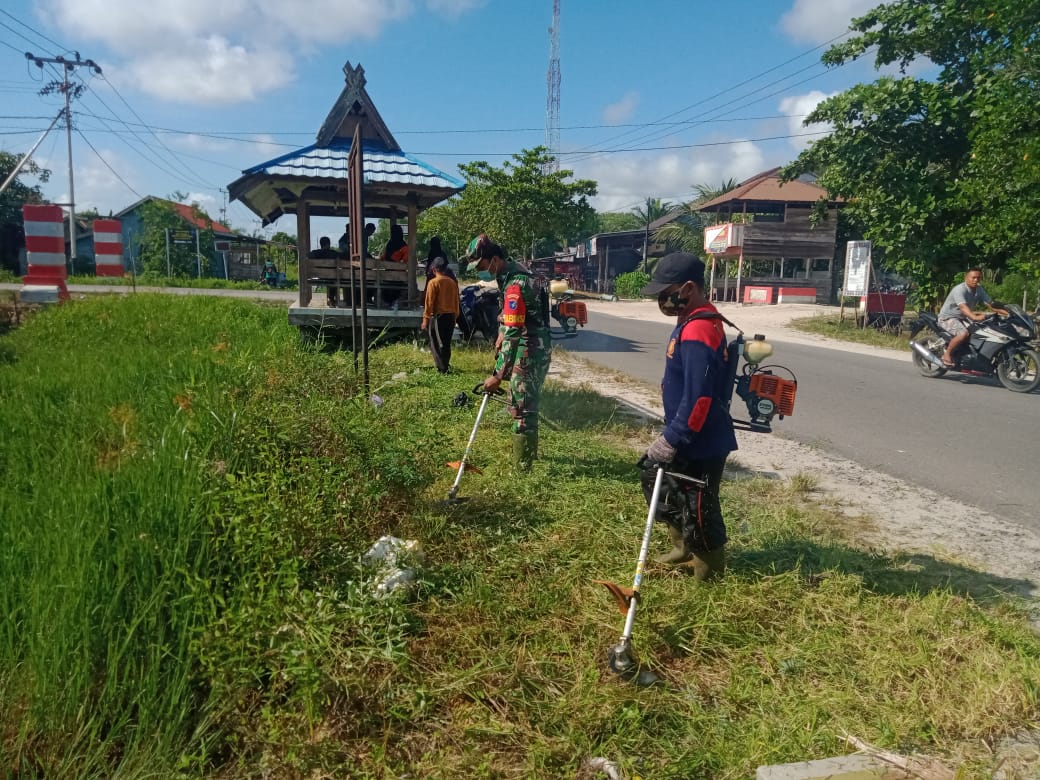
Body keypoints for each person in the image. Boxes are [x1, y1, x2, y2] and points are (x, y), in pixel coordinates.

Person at [638, 252, 738, 581]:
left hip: (702, 439)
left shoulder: (699, 329)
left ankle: (709, 571)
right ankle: (682, 547)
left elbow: (699, 398)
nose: (661, 301)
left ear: (689, 288)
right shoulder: (688, 322)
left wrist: (673, 438)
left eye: (665, 293)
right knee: (660, 483)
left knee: (699, 505)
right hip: (687, 433)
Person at [472, 235, 552, 469]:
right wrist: (501, 330)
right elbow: (511, 322)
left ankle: (523, 466)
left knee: (522, 406)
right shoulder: (515, 272)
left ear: (494, 260)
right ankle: (528, 457)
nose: (481, 271)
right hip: (534, 345)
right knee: (525, 403)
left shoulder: (515, 285)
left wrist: (498, 375)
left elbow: (515, 332)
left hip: (530, 349)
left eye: (481, 266)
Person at [938, 268, 1007, 367]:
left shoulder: (979, 289)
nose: (976, 280)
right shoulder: (960, 289)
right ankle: (947, 354)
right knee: (963, 334)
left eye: (978, 278)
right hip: (948, 317)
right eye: (973, 277)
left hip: (963, 317)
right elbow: (963, 307)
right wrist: (974, 317)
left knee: (983, 330)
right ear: (966, 277)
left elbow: (991, 304)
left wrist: (1008, 313)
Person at [421, 257, 461, 373]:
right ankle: (445, 364)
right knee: (446, 342)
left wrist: (425, 320)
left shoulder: (433, 283)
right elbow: (456, 300)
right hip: (451, 315)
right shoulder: (452, 282)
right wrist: (455, 316)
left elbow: (429, 303)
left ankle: (442, 368)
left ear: (434, 269)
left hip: (438, 317)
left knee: (435, 342)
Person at [308, 236, 341, 307]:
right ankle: (331, 298)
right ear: (328, 244)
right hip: (333, 277)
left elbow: (307, 255)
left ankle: (330, 299)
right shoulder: (334, 253)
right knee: (334, 280)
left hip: (320, 276)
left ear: (321, 244)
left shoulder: (315, 253)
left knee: (331, 279)